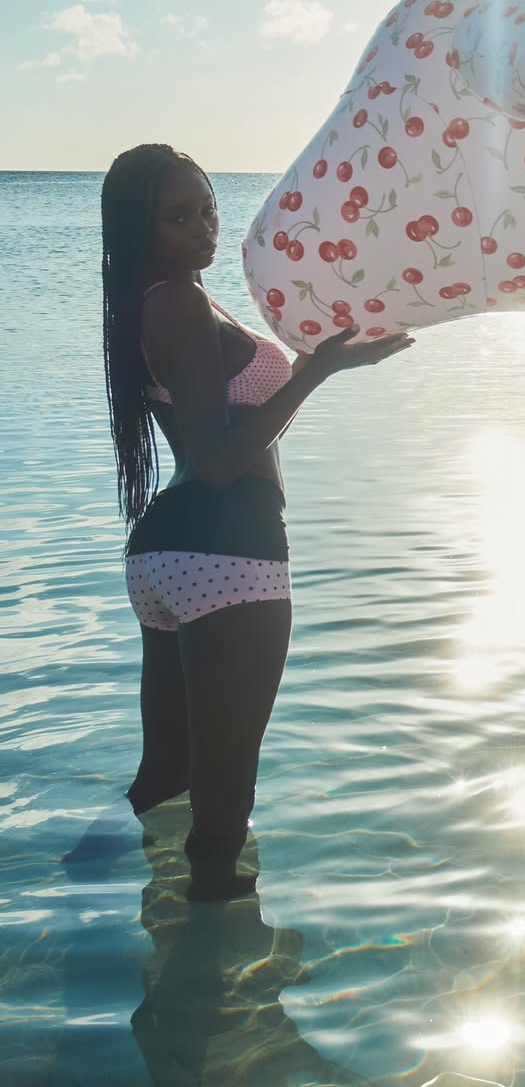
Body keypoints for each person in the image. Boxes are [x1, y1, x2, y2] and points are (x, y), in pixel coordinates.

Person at [99, 143, 412, 900]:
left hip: (168, 557)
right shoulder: (176, 302)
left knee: (167, 774)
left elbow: (229, 434)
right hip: (229, 556)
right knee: (223, 805)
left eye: (206, 208)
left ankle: (81, 900)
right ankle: (215, 959)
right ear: (141, 229)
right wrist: (315, 372)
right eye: (178, 217)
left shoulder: (160, 301)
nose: (203, 226)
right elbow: (221, 461)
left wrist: (318, 365)